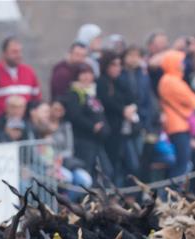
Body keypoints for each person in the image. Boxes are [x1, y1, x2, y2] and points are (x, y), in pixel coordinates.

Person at [59, 63, 112, 179]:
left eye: (89, 73)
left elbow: (100, 112)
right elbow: (75, 115)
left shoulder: (92, 93)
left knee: (106, 171)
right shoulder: (74, 93)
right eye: (83, 73)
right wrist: (92, 126)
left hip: (97, 140)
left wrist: (104, 128)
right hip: (83, 140)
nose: (87, 77)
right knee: (87, 171)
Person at [97, 51, 139, 184]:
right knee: (113, 166)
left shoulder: (119, 82)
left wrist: (130, 108)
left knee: (132, 165)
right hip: (111, 131)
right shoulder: (102, 82)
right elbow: (106, 101)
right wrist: (122, 110)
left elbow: (132, 97)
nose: (118, 68)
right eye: (114, 65)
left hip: (124, 130)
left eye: (119, 64)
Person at [159, 50, 195, 182]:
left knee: (183, 163)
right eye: (180, 62)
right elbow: (193, 101)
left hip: (180, 124)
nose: (183, 65)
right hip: (177, 126)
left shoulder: (173, 79)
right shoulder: (170, 80)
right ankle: (171, 191)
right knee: (182, 163)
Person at [0, 37, 42, 122]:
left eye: (20, 51)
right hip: (1, 125)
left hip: (25, 124)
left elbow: (37, 100)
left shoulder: (29, 72)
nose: (19, 55)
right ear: (4, 53)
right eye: (14, 52)